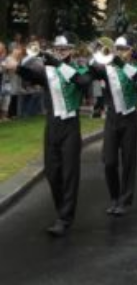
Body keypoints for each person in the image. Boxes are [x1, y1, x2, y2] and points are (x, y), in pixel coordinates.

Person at [4, 35, 90, 236]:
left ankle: (65, 218)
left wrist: (58, 64)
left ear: (71, 51)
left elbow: (83, 82)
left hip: (70, 126)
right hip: (52, 125)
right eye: (58, 49)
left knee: (69, 173)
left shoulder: (79, 68)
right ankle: (63, 211)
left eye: (65, 49)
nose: (61, 52)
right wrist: (15, 67)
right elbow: (32, 76)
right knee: (52, 173)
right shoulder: (48, 71)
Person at [89, 36, 137, 216]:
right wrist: (95, 51)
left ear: (131, 51)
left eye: (124, 48)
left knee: (128, 161)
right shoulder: (106, 68)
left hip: (129, 118)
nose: (120, 52)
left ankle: (125, 200)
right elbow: (93, 69)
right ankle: (114, 197)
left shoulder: (136, 68)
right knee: (109, 161)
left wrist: (120, 63)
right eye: (117, 48)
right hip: (112, 117)